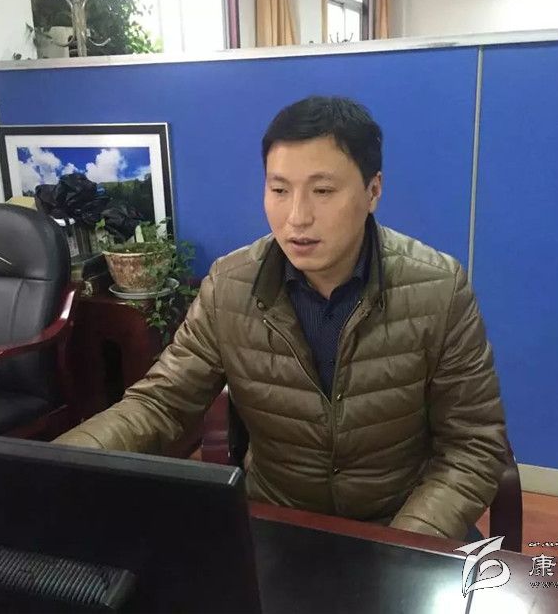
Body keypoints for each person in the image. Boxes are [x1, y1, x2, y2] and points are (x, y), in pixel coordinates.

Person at [55, 96, 508, 542]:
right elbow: (161, 404)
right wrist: (56, 466)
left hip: (403, 525)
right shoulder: (230, 285)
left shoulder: (438, 288)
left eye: (323, 191)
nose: (297, 217)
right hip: (278, 524)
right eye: (279, 190)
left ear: (373, 191)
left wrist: (403, 547)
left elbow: (472, 446)